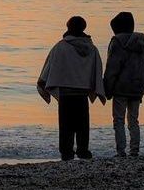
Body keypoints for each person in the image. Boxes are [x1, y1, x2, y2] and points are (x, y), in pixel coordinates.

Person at [38, 16, 106, 161]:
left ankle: (66, 151)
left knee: (65, 125)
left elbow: (50, 66)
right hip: (82, 93)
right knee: (82, 124)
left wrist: (42, 82)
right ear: (83, 28)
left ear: (68, 27)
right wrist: (98, 88)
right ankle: (83, 150)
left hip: (66, 93)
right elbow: (97, 69)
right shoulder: (91, 48)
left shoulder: (60, 47)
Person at [103, 12, 144, 157]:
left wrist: (107, 89)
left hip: (121, 88)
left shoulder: (117, 42)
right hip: (137, 87)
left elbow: (112, 68)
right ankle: (135, 150)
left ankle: (121, 151)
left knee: (118, 120)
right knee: (133, 120)